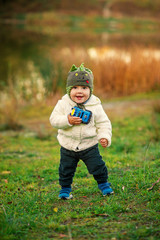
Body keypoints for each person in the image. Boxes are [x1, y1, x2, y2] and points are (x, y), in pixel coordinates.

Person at [49, 63, 113, 199]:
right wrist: (67, 120)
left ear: (90, 90)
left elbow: (103, 123)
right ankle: (65, 189)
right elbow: (53, 119)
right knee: (65, 169)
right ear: (68, 90)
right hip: (68, 145)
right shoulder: (63, 104)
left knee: (97, 166)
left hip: (89, 145)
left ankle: (104, 185)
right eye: (75, 88)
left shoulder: (95, 105)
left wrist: (104, 137)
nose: (79, 91)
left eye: (84, 88)